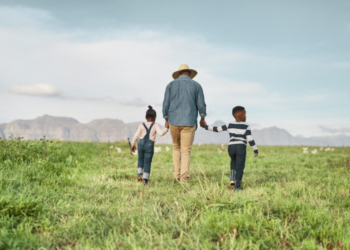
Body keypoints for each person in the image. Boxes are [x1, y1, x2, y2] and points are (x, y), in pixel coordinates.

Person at [162, 64, 207, 184]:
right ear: (190, 74)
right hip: (189, 120)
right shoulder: (196, 85)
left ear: (178, 74)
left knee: (176, 147)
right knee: (186, 150)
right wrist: (202, 118)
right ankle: (184, 180)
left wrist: (166, 119)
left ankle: (176, 176)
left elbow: (165, 104)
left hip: (173, 121)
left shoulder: (170, 85)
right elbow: (201, 104)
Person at [200, 106, 258, 190]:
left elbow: (217, 129)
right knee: (240, 166)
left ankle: (232, 178)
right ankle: (237, 187)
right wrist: (255, 149)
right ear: (240, 116)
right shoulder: (246, 125)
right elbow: (249, 138)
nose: (245, 116)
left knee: (233, 161)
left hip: (231, 147)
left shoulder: (230, 124)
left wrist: (205, 126)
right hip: (241, 146)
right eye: (244, 114)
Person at [131, 106, 169, 185]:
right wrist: (166, 128)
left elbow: (136, 135)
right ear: (155, 117)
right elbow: (161, 134)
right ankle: (145, 181)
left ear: (145, 117)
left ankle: (139, 175)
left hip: (141, 144)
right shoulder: (156, 125)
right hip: (149, 146)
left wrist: (132, 143)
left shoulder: (141, 125)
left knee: (140, 159)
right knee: (147, 162)